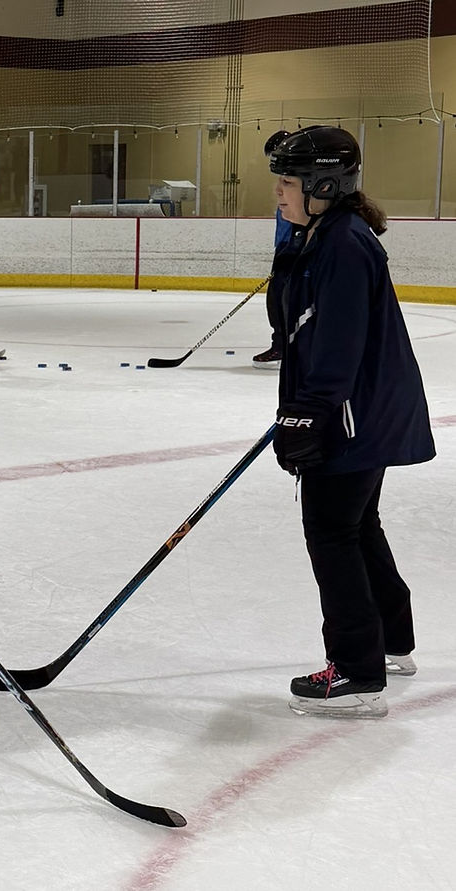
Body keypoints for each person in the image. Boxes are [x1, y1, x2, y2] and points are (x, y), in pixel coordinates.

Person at [267, 125, 435, 719]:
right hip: (364, 412)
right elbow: (295, 325)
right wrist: (290, 251)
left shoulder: (341, 243)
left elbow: (336, 345)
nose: (279, 195)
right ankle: (389, 641)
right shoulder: (327, 235)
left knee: (333, 533)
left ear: (324, 184)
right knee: (358, 527)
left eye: (287, 183)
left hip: (351, 416)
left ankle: (357, 673)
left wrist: (307, 417)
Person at [252, 130, 292, 369]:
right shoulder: (287, 183)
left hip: (292, 249)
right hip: (285, 248)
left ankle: (282, 346)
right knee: (276, 298)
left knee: (280, 299)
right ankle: (282, 345)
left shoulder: (298, 183)